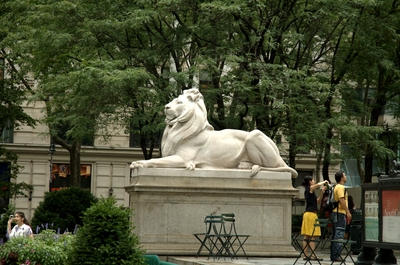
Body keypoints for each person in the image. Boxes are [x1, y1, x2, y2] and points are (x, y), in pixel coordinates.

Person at [301, 176, 328, 261]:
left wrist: (322, 192)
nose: (314, 181)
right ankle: (312, 254)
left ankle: (306, 254)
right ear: (309, 182)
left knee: (307, 235)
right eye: (313, 180)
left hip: (308, 214)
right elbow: (316, 185)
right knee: (312, 236)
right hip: (311, 214)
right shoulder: (310, 188)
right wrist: (324, 182)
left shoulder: (309, 191)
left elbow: (318, 201)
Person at [330, 171, 352, 262]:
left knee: (336, 234)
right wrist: (347, 211)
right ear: (341, 178)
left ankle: (334, 255)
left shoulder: (336, 187)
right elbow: (341, 199)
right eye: (344, 175)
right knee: (339, 234)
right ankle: (336, 256)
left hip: (336, 213)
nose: (346, 177)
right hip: (339, 213)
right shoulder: (340, 187)